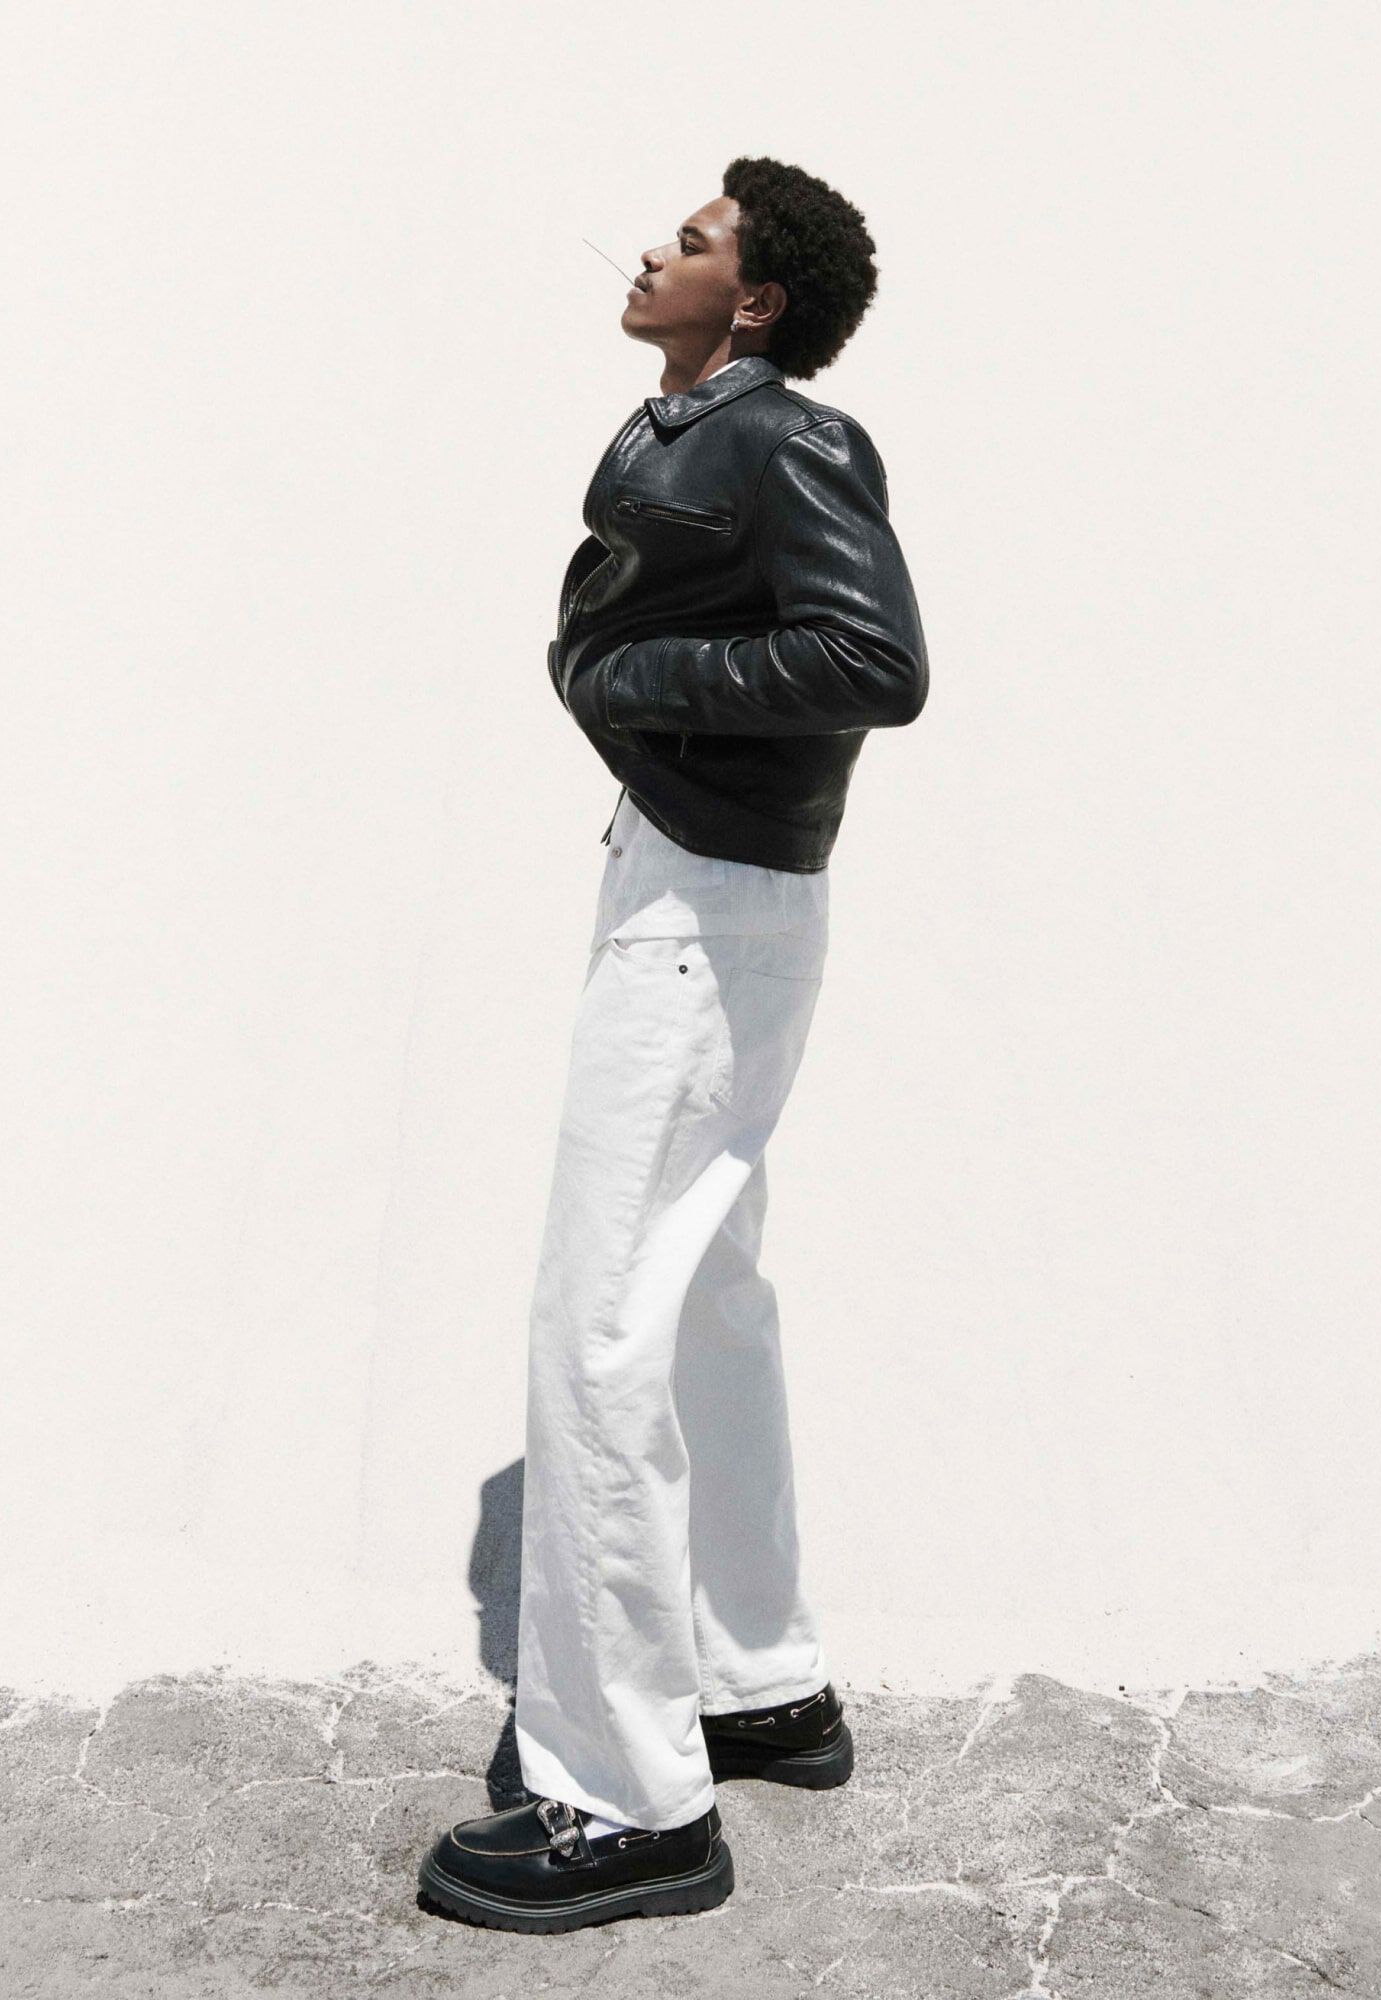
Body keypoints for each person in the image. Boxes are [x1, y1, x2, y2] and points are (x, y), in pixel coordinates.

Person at [418, 155, 929, 1935]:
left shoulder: (792, 437)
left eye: (697, 241)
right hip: (693, 884)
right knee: (702, 1294)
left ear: (759, 301)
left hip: (710, 911)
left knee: (600, 1322)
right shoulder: (690, 424)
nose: (656, 246)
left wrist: (639, 691)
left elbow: (872, 657)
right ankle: (757, 1679)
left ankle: (629, 1800)